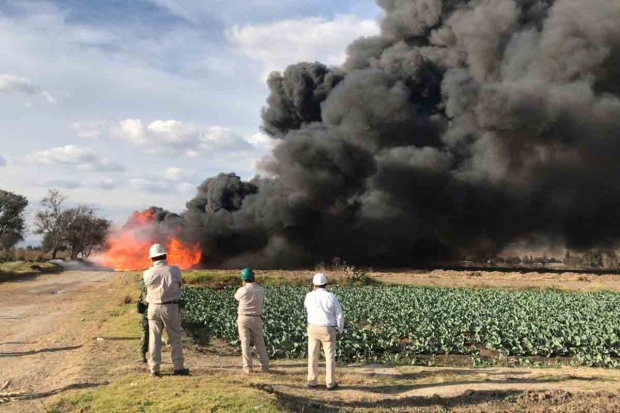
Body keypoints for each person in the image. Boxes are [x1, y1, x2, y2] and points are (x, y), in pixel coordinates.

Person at [143, 243, 189, 377]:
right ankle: (178, 367)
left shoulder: (147, 273)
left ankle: (154, 368)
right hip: (170, 307)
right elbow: (179, 284)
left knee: (154, 338)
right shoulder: (174, 270)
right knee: (175, 337)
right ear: (165, 256)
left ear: (152, 259)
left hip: (153, 308)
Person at [304, 272, 344, 390]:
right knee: (330, 356)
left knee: (312, 354)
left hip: (312, 327)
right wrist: (340, 330)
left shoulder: (309, 296)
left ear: (314, 285)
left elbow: (307, 307)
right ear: (326, 284)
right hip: (327, 329)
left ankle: (312, 381)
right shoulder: (331, 296)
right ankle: (330, 383)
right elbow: (339, 315)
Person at [234, 268, 269, 374]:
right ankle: (265, 367)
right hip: (256, 318)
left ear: (243, 279)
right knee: (260, 342)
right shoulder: (260, 289)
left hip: (244, 318)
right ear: (253, 277)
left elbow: (236, 297)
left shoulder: (242, 290)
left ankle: (248, 368)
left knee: (245, 342)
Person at [137, 278, 149, 364]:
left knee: (145, 332)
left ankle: (143, 356)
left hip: (148, 311)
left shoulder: (145, 281)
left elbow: (139, 284)